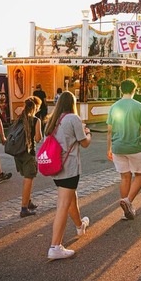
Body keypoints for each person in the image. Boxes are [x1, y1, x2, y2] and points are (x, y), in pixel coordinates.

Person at [45, 91, 92, 260]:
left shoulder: (53, 119)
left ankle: (80, 225)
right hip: (69, 167)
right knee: (64, 204)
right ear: (73, 103)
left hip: (56, 166)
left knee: (71, 198)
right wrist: (88, 133)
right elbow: (84, 143)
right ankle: (55, 246)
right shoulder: (73, 118)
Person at [107, 79, 141, 221]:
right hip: (135, 146)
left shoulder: (114, 107)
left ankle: (125, 210)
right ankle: (128, 201)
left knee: (125, 177)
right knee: (140, 175)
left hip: (118, 147)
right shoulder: (139, 106)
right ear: (135, 90)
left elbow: (109, 131)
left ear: (121, 90)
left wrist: (109, 148)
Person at [14, 96, 43, 217]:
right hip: (28, 153)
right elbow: (38, 138)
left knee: (26, 178)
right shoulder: (36, 120)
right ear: (36, 107)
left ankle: (28, 201)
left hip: (18, 152)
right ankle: (24, 208)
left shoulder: (20, 118)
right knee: (28, 179)